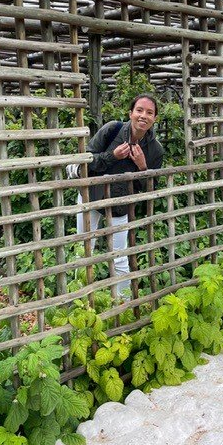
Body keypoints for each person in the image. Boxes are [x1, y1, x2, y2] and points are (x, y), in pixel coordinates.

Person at [68, 94, 164, 297]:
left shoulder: (155, 150)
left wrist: (142, 167)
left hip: (121, 205)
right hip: (91, 198)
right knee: (84, 249)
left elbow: (151, 190)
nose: (143, 116)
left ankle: (123, 304)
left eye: (149, 112)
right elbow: (85, 159)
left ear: (155, 118)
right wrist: (112, 156)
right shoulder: (113, 130)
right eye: (139, 110)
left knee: (119, 257)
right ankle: (80, 299)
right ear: (131, 113)